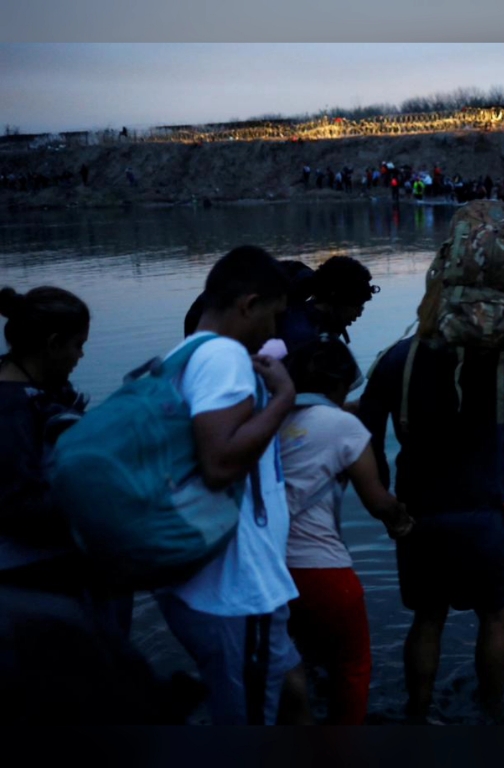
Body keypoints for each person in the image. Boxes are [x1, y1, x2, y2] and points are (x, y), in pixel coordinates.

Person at [359, 206, 504, 721]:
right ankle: (493, 714)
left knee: (427, 621)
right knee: (495, 618)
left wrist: (387, 508)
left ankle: (417, 712)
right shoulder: (491, 359)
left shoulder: (393, 360)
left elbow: (361, 440)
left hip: (420, 517)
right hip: (482, 517)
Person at [154, 246, 308, 726]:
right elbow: (221, 464)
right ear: (248, 305)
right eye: (273, 317)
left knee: (288, 694)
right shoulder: (223, 356)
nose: (275, 332)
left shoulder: (182, 355)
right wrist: (284, 399)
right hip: (235, 592)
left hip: (208, 583)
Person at [279, 335, 414, 725]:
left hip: (268, 570)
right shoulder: (343, 426)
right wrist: (402, 520)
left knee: (290, 661)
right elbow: (376, 501)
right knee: (353, 666)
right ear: (337, 384)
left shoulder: (269, 419)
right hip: (324, 574)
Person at [0, 286, 90, 595]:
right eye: (78, 345)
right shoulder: (11, 412)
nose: (81, 355)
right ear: (53, 345)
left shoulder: (36, 389)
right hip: (32, 579)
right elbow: (19, 505)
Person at [278, 255, 379, 350]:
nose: (359, 313)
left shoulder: (303, 317)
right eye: (356, 306)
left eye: (361, 306)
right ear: (337, 299)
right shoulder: (309, 339)